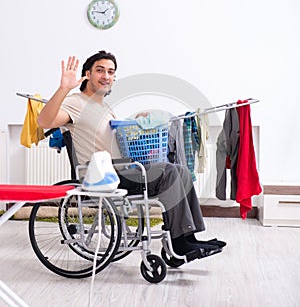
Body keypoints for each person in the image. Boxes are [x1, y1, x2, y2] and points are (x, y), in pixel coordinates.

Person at [38, 50, 226, 257]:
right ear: (87, 74)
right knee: (170, 172)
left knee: (180, 171)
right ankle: (180, 243)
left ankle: (187, 238)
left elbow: (113, 139)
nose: (106, 76)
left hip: (120, 170)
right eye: (100, 70)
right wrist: (64, 88)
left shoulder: (104, 107)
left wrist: (136, 121)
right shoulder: (76, 102)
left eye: (111, 72)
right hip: (100, 177)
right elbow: (45, 122)